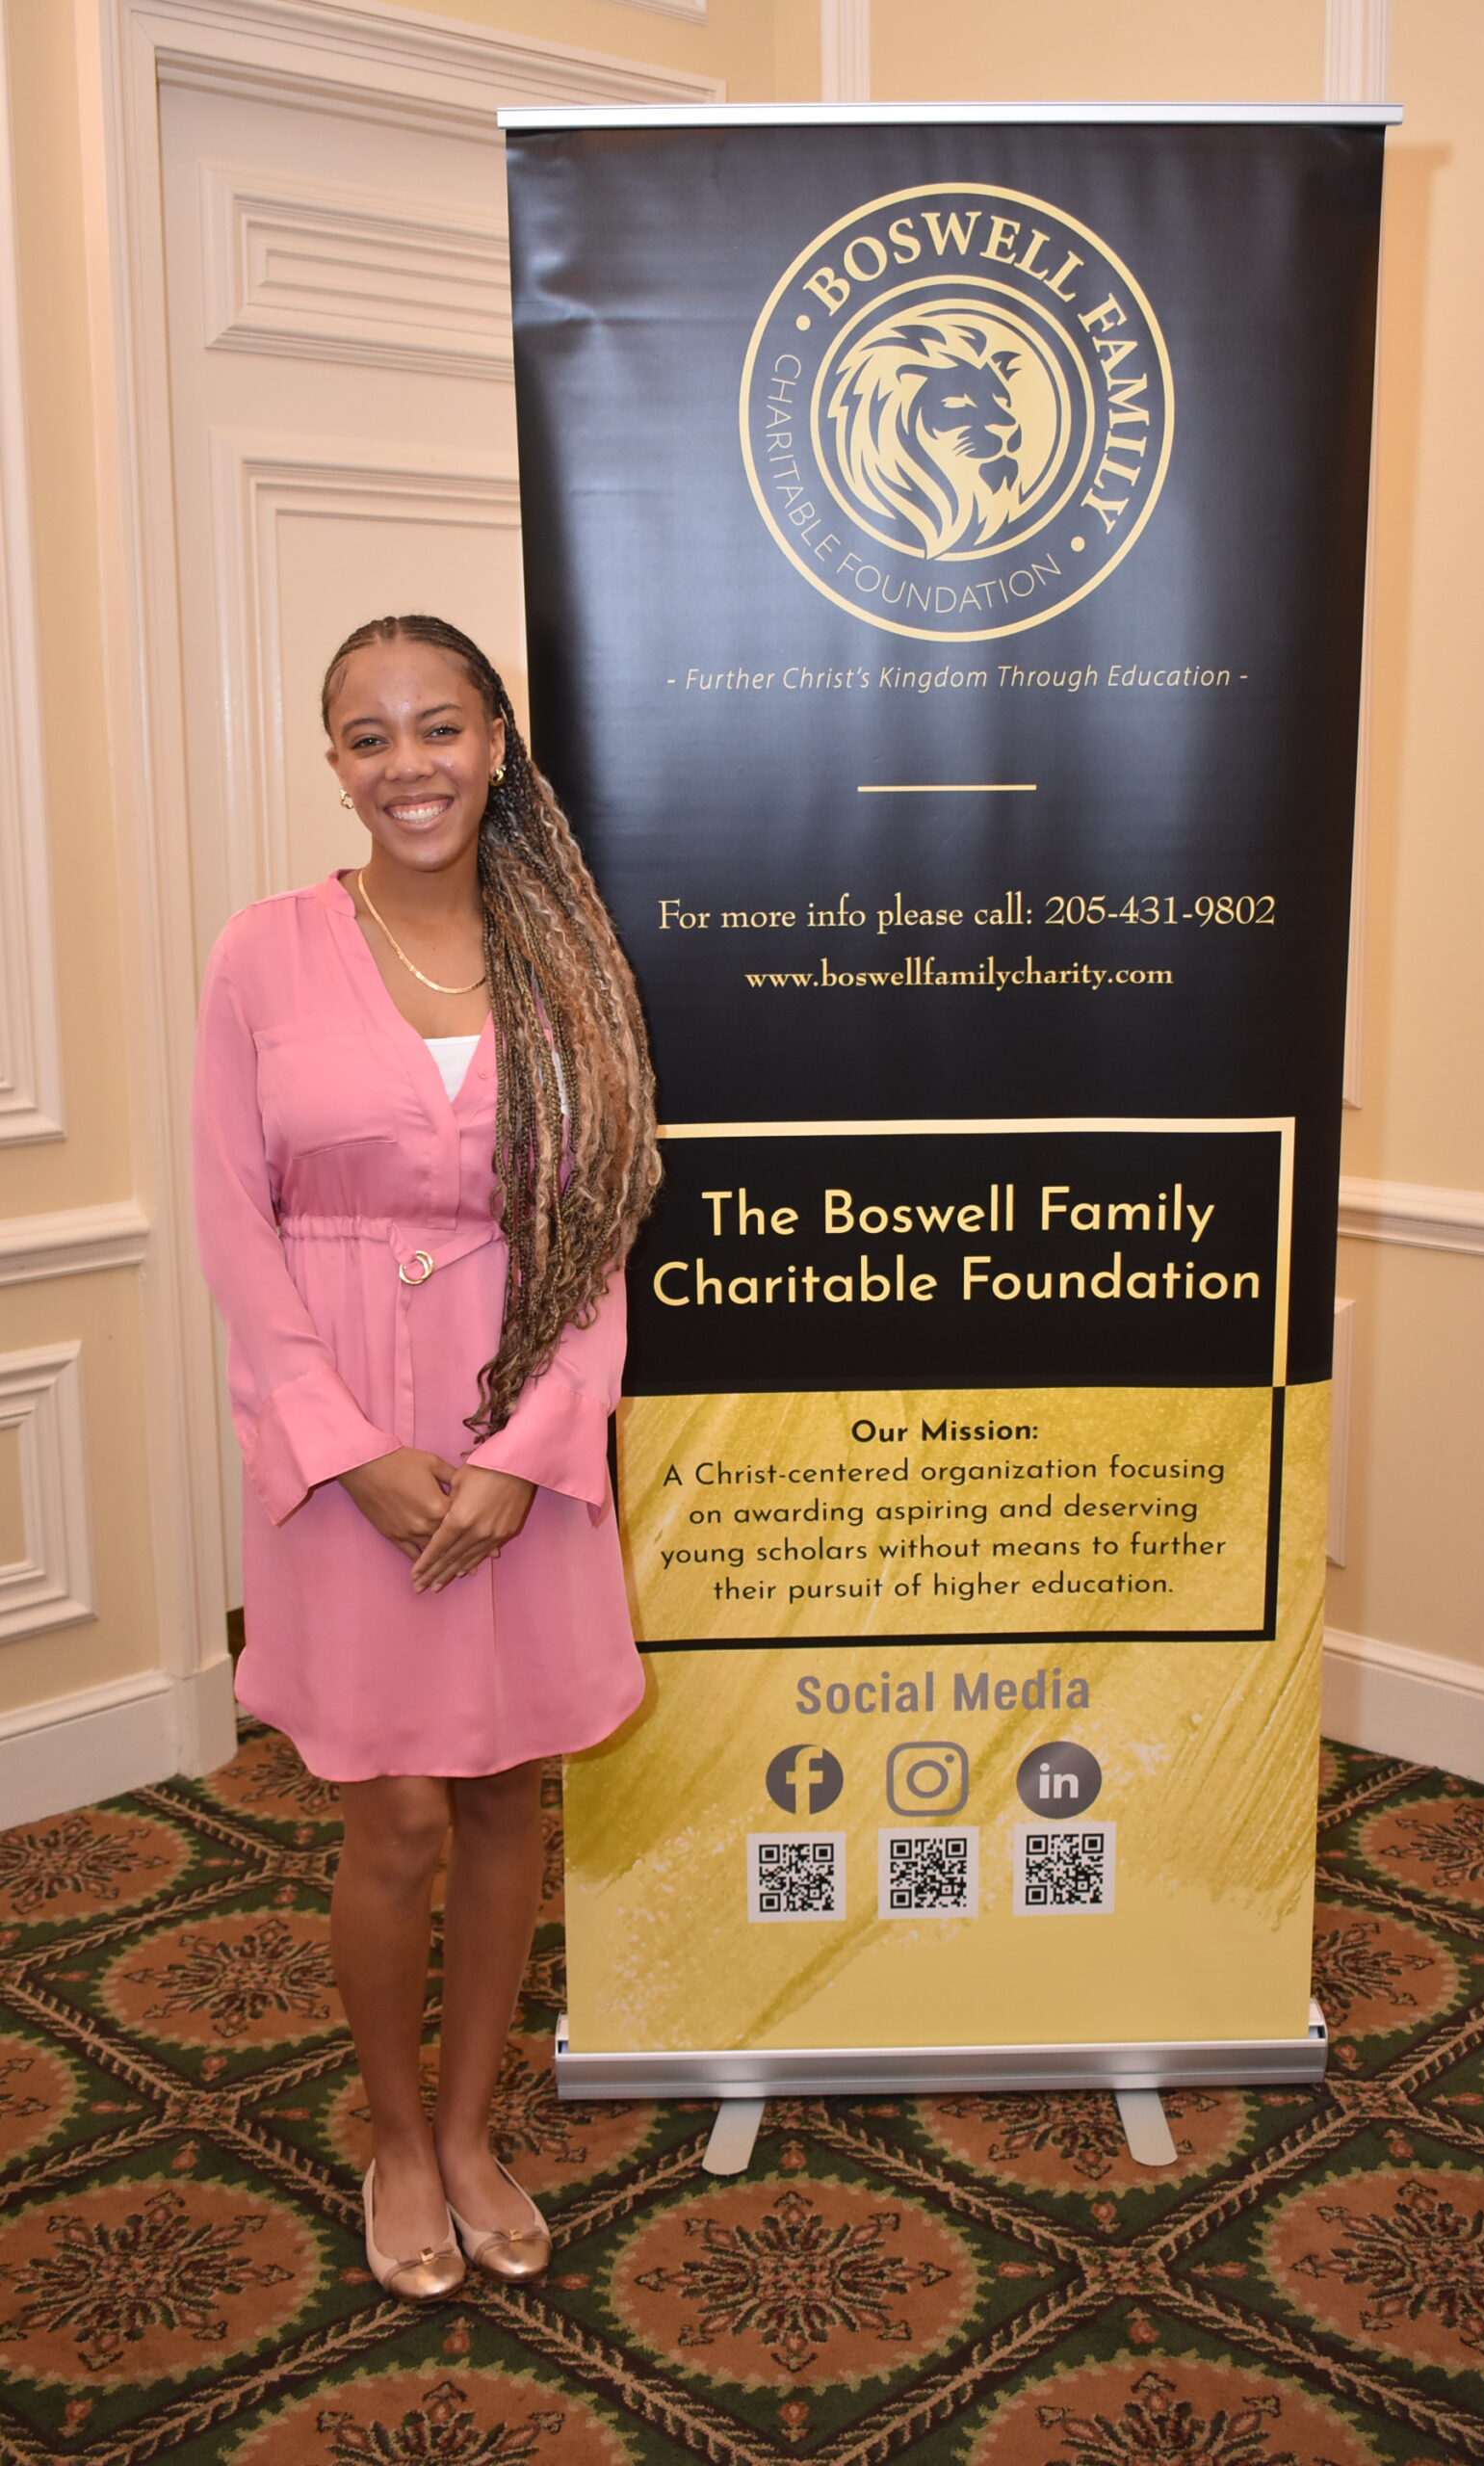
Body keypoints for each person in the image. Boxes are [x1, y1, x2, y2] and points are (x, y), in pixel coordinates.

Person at [192, 614, 658, 2300]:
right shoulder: (261, 952)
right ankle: (395, 2137)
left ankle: (469, 2134)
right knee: (390, 1813)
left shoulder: (567, 961)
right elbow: (234, 1226)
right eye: (370, 735)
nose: (411, 765)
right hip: (339, 1447)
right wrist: (346, 1450)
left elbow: (600, 1226)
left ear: (495, 741)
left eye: (440, 726)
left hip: (519, 1432)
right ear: (334, 763)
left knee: (504, 1790)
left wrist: (531, 1450)